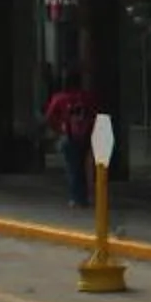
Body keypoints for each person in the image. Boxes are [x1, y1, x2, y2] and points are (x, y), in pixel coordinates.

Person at [45, 72, 97, 206]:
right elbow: (94, 113)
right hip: (85, 135)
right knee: (83, 166)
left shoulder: (60, 98)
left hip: (69, 136)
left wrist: (58, 129)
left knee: (73, 168)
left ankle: (76, 197)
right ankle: (85, 196)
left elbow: (49, 116)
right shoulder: (85, 97)